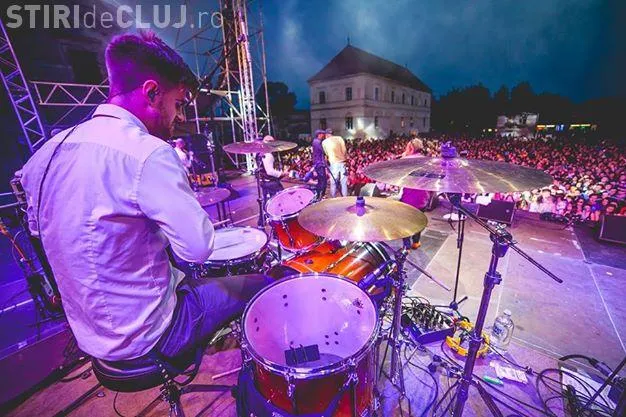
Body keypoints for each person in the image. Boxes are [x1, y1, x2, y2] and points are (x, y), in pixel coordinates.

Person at [20, 32, 269, 365]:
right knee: (263, 283)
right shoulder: (147, 153)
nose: (181, 118)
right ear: (152, 93)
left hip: (89, 337)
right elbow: (198, 249)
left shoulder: (44, 156)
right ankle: (256, 378)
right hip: (152, 334)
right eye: (178, 104)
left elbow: (43, 237)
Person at [397, 138, 431, 249]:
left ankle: (406, 246)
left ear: (411, 148)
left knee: (405, 222)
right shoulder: (427, 161)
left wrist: (404, 157)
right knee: (418, 220)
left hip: (409, 198)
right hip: (423, 197)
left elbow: (398, 175)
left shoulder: (405, 160)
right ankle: (416, 242)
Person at [256, 135, 286, 200]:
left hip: (263, 181)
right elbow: (270, 172)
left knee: (268, 200)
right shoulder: (268, 155)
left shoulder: (259, 154)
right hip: (271, 182)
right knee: (281, 199)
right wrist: (281, 173)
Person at [322, 129, 348, 197]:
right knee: (343, 182)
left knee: (333, 182)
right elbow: (344, 150)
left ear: (326, 135)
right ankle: (345, 198)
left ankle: (333, 198)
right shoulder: (339, 138)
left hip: (334, 163)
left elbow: (326, 153)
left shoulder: (324, 142)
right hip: (342, 162)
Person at [312, 129, 328, 199]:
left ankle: (319, 195)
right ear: (319, 135)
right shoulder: (317, 142)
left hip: (319, 163)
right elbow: (323, 151)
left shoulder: (316, 141)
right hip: (319, 164)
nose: (323, 136)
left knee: (321, 180)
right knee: (323, 180)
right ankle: (321, 195)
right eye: (322, 134)